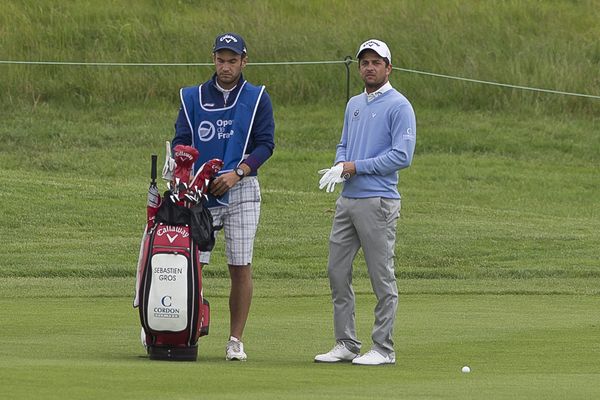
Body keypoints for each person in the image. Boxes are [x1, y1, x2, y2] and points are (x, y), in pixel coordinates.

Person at [171, 32, 275, 361]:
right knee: (193, 267)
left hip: (241, 188)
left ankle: (235, 340)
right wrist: (185, 170)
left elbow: (265, 144)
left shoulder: (257, 97)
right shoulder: (192, 97)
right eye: (220, 59)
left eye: (232, 60)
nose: (226, 66)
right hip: (199, 194)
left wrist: (238, 172)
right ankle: (185, 331)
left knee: (239, 265)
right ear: (213, 59)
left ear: (244, 61)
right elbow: (181, 140)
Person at [314, 39, 416, 366]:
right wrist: (340, 165)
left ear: (389, 68)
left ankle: (383, 348)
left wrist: (356, 167)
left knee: (381, 277)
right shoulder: (354, 104)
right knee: (336, 271)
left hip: (379, 201)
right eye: (364, 62)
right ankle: (346, 343)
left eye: (376, 62)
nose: (369, 67)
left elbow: (402, 155)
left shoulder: (399, 106)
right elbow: (344, 144)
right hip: (348, 199)